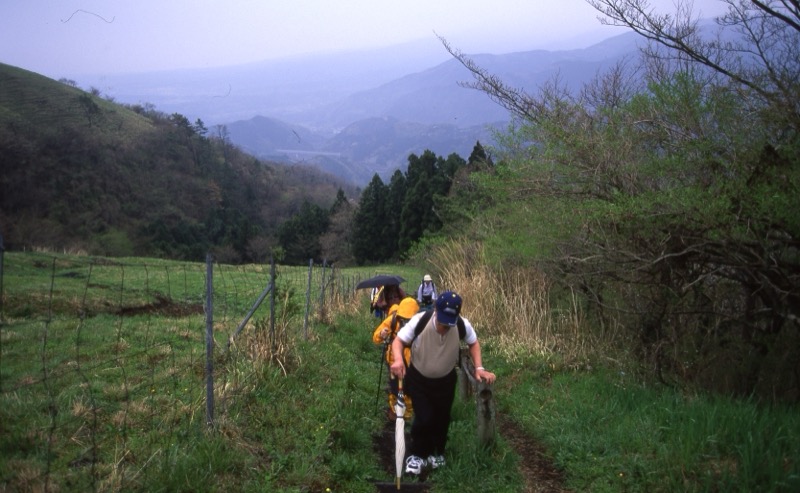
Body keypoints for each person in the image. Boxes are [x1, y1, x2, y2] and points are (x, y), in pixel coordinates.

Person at [389, 291, 496, 475]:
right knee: (424, 417)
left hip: (445, 380)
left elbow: (474, 343)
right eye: (442, 322)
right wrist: (398, 360)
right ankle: (417, 455)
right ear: (436, 311)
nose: (444, 327)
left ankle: (437, 452)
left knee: (442, 417)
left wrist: (479, 368)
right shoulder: (420, 321)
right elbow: (398, 341)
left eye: (449, 324)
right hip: (419, 378)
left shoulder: (461, 324)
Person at [372, 296, 420, 419]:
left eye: (409, 319)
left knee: (409, 387)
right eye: (404, 318)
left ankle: (407, 412)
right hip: (393, 359)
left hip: (413, 360)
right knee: (395, 386)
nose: (406, 322)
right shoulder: (392, 320)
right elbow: (375, 337)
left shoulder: (420, 324)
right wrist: (382, 334)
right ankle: (395, 412)